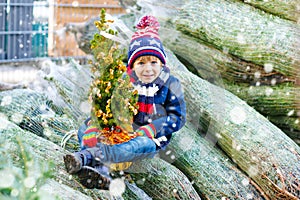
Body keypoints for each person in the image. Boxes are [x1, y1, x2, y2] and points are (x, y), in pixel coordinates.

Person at [63, 15, 186, 190]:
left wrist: (153, 128)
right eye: (141, 62)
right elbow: (110, 105)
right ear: (132, 66)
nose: (148, 68)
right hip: (122, 130)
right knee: (85, 129)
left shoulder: (170, 84)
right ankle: (99, 172)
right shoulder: (125, 81)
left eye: (153, 62)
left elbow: (178, 117)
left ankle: (84, 158)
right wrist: (101, 119)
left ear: (162, 63)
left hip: (150, 137)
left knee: (134, 146)